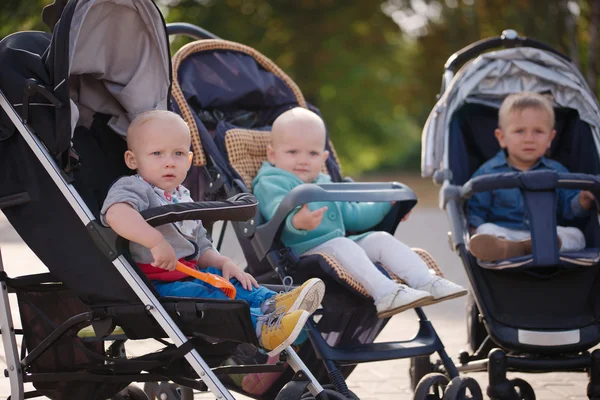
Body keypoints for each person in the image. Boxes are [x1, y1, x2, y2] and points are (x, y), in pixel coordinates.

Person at [100, 110, 325, 357]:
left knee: (234, 280)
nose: (169, 162)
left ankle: (274, 303)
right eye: (157, 153)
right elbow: (116, 214)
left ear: (188, 160)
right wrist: (154, 240)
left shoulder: (182, 196)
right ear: (133, 160)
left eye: (177, 154)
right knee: (208, 296)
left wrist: (222, 261)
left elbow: (200, 245)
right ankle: (262, 329)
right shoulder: (132, 187)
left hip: (190, 272)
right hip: (157, 285)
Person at [252, 107, 467, 319]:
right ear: (272, 154)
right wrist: (296, 221)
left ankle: (426, 281)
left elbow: (354, 215)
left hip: (338, 247)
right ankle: (385, 293)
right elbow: (275, 209)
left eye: (313, 153)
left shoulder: (324, 182)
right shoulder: (272, 181)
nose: (303, 160)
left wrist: (386, 207)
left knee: (380, 239)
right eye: (292, 152)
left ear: (324, 157)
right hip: (299, 255)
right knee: (343, 244)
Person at [467, 92, 595, 262]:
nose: (529, 139)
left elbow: (569, 212)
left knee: (576, 235)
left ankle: (529, 248)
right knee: (485, 229)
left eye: (538, 131)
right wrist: (474, 232)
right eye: (519, 131)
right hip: (506, 234)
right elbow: (476, 213)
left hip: (547, 234)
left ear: (550, 138)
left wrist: (583, 200)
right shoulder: (488, 172)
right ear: (502, 137)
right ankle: (509, 248)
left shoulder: (558, 172)